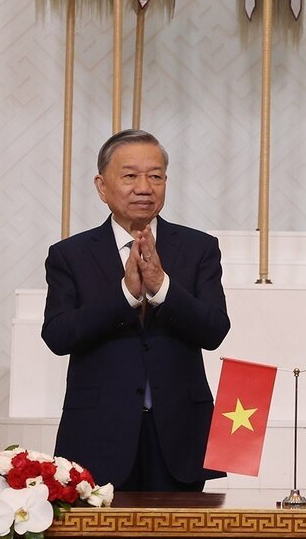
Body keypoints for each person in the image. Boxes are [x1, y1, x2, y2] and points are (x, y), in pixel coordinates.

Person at [41, 129, 231, 491]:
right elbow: (58, 335)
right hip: (98, 435)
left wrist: (163, 288)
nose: (145, 187)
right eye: (130, 176)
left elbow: (214, 330)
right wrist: (125, 296)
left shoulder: (199, 249)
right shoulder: (70, 255)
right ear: (102, 185)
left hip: (179, 435)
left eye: (155, 176)